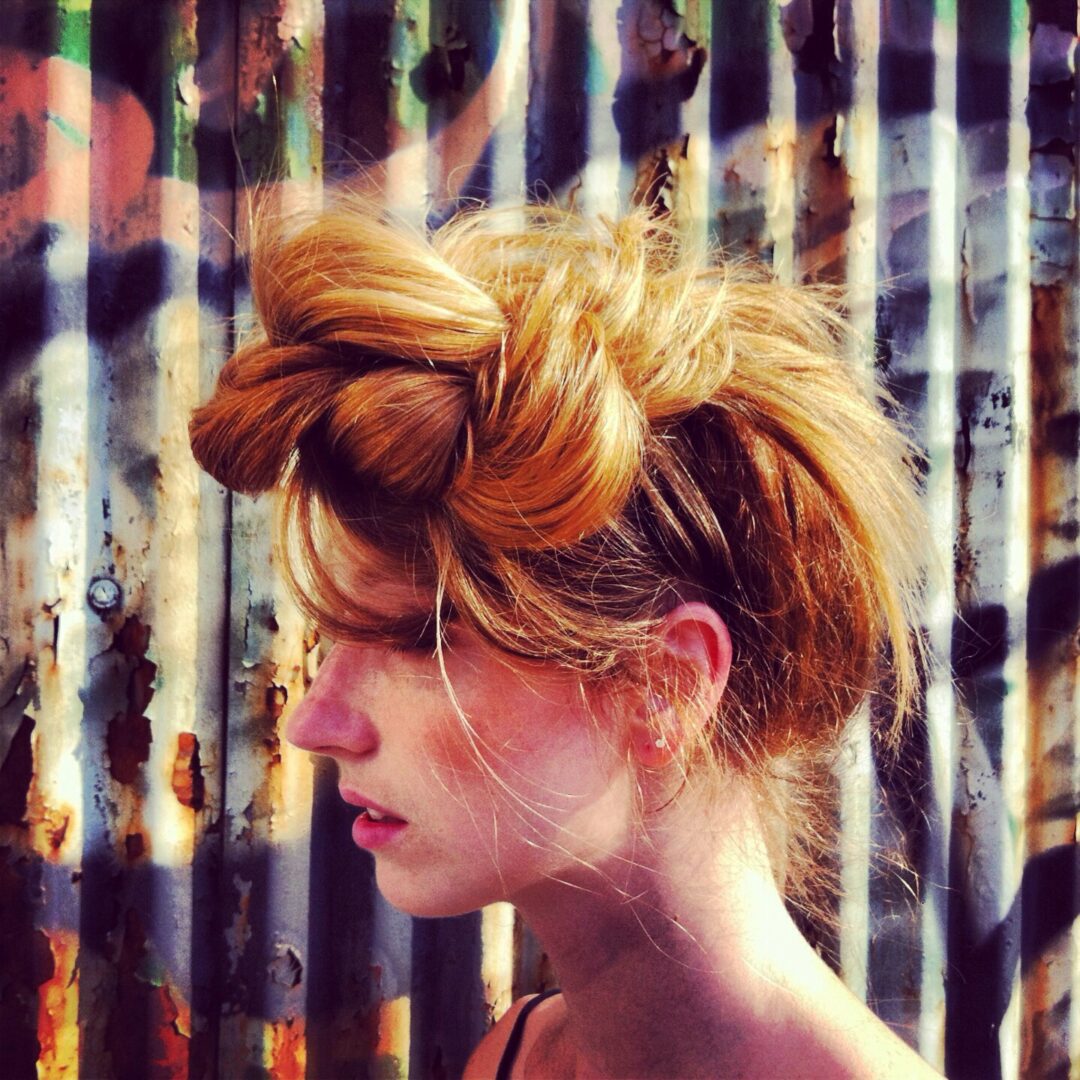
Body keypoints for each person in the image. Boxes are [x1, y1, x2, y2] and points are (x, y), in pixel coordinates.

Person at [189, 200, 940, 1078]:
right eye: (333, 641)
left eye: (416, 641)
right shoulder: (516, 1057)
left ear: (666, 684)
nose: (314, 724)